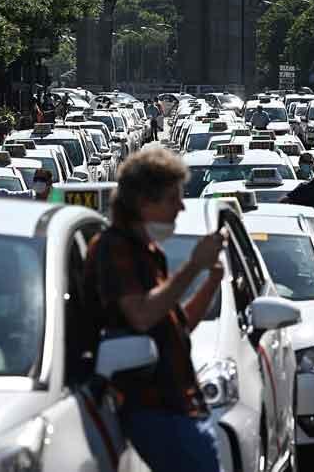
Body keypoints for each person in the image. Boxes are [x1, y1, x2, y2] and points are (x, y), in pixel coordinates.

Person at [83, 148, 227, 472]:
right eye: (172, 198)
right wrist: (192, 266)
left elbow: (175, 325)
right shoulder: (114, 248)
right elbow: (141, 315)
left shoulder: (149, 252)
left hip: (180, 405)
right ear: (144, 202)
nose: (181, 206)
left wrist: (210, 281)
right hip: (153, 408)